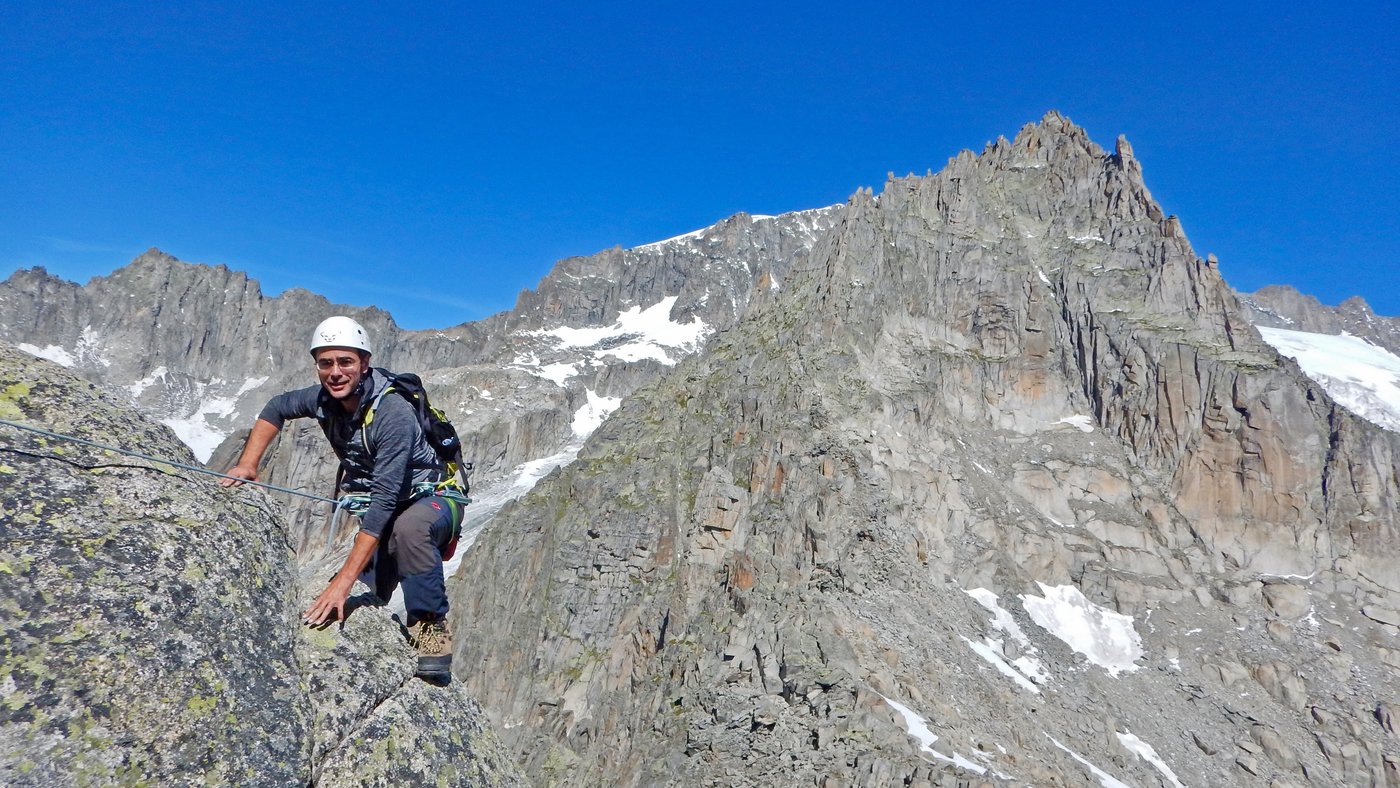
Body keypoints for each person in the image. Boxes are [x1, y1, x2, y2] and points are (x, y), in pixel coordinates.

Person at [221, 315, 461, 681]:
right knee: (364, 596)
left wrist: (342, 582)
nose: (335, 372)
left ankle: (430, 626)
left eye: (345, 361)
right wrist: (248, 465)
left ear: (364, 364)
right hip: (390, 506)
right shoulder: (322, 400)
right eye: (326, 363)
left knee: (409, 531)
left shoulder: (392, 411)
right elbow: (276, 408)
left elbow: (382, 503)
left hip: (433, 500)